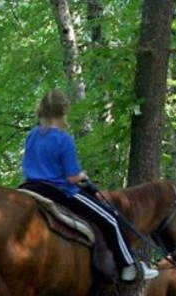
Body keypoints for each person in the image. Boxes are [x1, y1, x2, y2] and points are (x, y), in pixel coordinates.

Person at [22, 89, 157, 283]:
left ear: (41, 109)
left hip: (30, 187)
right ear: (63, 111)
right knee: (110, 219)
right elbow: (71, 177)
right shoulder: (63, 139)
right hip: (59, 191)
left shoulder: (33, 135)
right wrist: (82, 175)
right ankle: (128, 267)